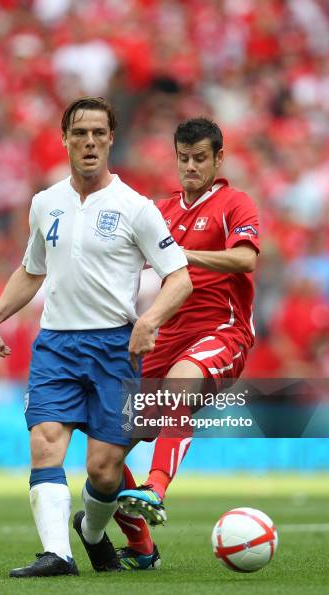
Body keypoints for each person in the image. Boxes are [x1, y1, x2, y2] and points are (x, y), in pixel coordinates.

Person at [0, 96, 192, 578]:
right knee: (46, 441)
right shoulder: (44, 203)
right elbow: (32, 271)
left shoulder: (136, 208)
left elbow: (179, 277)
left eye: (98, 133)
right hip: (56, 343)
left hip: (115, 348)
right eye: (80, 133)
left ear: (111, 139)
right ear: (66, 140)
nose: (89, 141)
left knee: (103, 468)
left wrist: (149, 319)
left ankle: (92, 535)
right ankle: (58, 554)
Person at [113, 117, 260, 569]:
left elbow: (244, 258)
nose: (191, 166)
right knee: (105, 448)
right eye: (183, 158)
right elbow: (127, 264)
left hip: (221, 332)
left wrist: (182, 253)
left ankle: (155, 488)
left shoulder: (235, 203)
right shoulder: (160, 211)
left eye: (200, 158)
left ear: (219, 158)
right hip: (164, 338)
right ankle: (141, 549)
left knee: (181, 384)